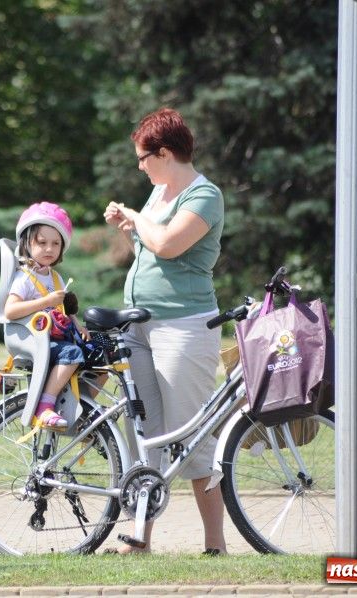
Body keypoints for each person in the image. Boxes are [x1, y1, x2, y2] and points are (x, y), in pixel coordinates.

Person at [103, 107, 226, 555]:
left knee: (190, 436)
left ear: (166, 152)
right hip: (140, 324)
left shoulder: (204, 195)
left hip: (184, 328)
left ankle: (215, 544)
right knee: (145, 435)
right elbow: (151, 243)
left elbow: (169, 244)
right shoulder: (158, 193)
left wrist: (137, 218)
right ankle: (139, 539)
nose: (139, 166)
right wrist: (134, 222)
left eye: (142, 157)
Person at [4, 202, 90, 431]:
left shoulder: (55, 278)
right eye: (41, 242)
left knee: (97, 352)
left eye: (55, 243)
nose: (49, 249)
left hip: (53, 337)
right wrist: (45, 302)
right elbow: (10, 311)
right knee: (72, 353)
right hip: (32, 339)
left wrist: (77, 325)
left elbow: (63, 310)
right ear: (27, 243)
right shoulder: (25, 278)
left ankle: (85, 410)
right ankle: (45, 406)